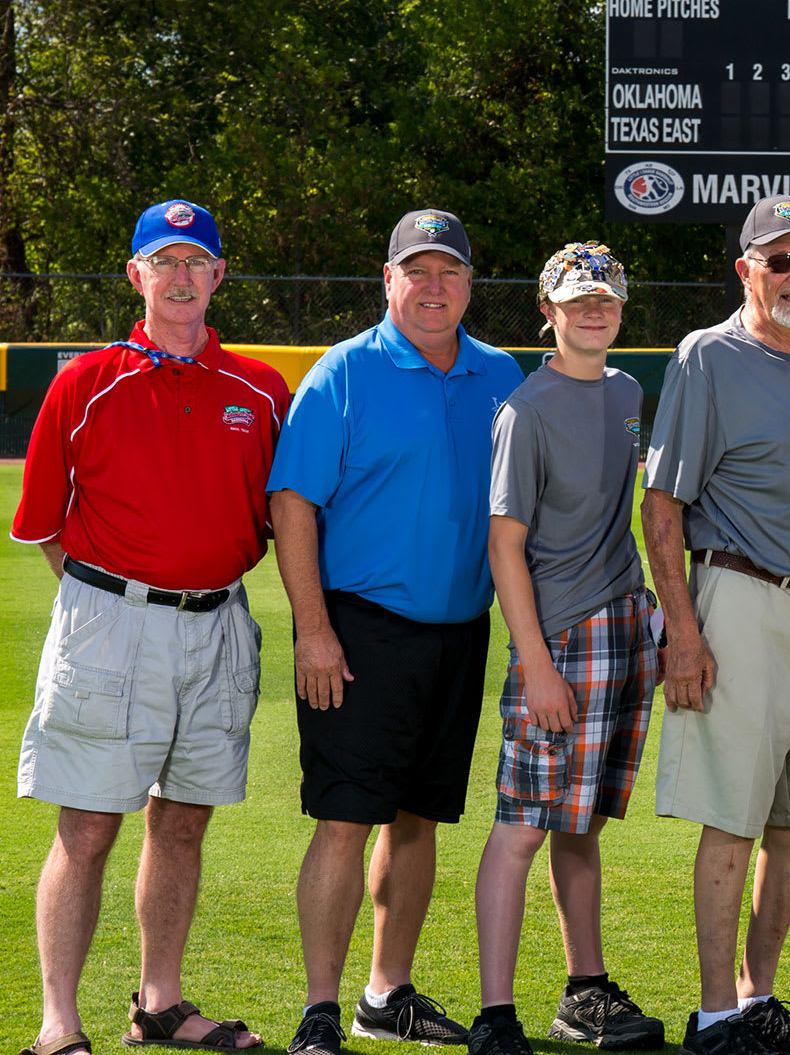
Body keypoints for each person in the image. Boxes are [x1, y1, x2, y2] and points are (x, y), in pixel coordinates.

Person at [13, 200, 288, 1055]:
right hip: (109, 622)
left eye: (194, 262)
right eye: (161, 262)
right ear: (136, 275)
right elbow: (46, 524)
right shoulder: (84, 381)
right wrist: (115, 599)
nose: (179, 277)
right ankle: (60, 1022)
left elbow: (288, 520)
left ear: (217, 277)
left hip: (218, 626)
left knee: (183, 821)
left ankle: (158, 1003)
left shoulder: (261, 390)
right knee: (89, 826)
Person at [268, 209, 524, 1055]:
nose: (434, 286)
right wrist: (312, 629)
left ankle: (388, 993)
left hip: (460, 631)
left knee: (417, 819)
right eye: (418, 271)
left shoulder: (501, 375)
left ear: (470, 284)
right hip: (359, 630)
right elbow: (293, 502)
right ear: (389, 280)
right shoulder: (342, 372)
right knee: (346, 818)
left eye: (450, 271)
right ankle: (319, 1009)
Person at [641, 196, 790, 1055]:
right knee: (732, 814)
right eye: (779, 261)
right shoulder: (709, 355)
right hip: (741, 597)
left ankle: (756, 996)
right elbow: (662, 502)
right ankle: (711, 1018)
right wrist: (685, 632)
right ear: (746, 270)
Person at [467, 242, 666, 1055]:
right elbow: (503, 545)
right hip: (559, 639)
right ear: (546, 311)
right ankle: (495, 1014)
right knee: (523, 826)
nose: (594, 311)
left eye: (607, 300)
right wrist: (538, 664)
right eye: (576, 300)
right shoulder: (528, 407)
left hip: (623, 623)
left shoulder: (628, 390)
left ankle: (585, 991)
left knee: (580, 825)